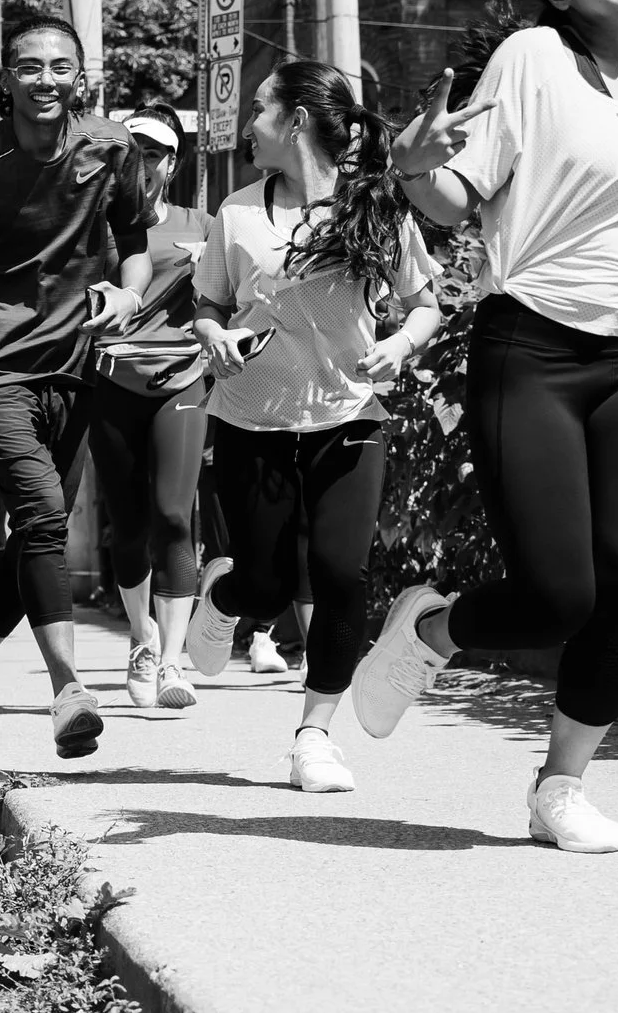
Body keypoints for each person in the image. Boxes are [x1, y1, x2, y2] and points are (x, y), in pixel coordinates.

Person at [355, 0, 618, 851]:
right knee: (556, 593)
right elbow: (454, 202)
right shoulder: (530, 61)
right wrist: (411, 169)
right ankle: (433, 629)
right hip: (531, 344)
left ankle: (559, 787)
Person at [183, 63, 442, 791]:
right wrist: (213, 336)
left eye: (260, 108)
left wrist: (400, 343)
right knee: (264, 588)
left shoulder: (375, 211)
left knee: (340, 574)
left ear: (294, 120)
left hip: (349, 417)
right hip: (250, 420)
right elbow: (207, 305)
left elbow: (426, 304)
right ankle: (225, 599)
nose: (248, 124)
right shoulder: (234, 214)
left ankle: (313, 736)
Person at [0, 19, 153, 765]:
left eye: (61, 67)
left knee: (32, 540)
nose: (47, 80)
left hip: (74, 367)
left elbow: (135, 245)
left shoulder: (112, 149)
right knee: (44, 515)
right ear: (4, 79)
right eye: (30, 67)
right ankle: (69, 688)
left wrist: (129, 297)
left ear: (82, 76)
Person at [86, 103, 212, 712]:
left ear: (174, 161)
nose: (145, 162)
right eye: (133, 149)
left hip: (181, 378)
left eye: (157, 152)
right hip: (112, 378)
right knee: (128, 522)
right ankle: (141, 638)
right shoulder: (98, 223)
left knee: (172, 515)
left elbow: (246, 285)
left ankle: (172, 661)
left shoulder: (202, 224)